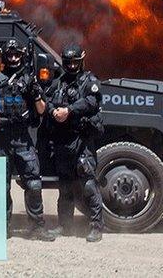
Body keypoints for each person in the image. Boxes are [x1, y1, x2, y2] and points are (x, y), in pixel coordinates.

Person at [0, 39, 51, 239]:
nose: (14, 58)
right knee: (0, 186)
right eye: (10, 54)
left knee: (33, 184)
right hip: (2, 140)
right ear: (4, 56)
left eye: (17, 54)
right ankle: (1, 227)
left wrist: (35, 93)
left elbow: (41, 111)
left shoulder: (30, 80)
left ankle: (37, 227)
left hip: (23, 139)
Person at [44, 43, 104, 242]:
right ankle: (64, 225)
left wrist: (69, 110)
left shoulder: (90, 81)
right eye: (68, 62)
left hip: (82, 140)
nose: (71, 66)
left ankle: (96, 226)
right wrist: (54, 111)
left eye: (74, 62)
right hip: (64, 140)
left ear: (81, 60)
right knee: (65, 186)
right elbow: (49, 100)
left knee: (87, 183)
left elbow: (92, 102)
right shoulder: (58, 82)